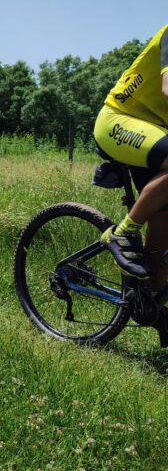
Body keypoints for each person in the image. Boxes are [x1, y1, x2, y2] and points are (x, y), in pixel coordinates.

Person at [94, 22, 168, 287]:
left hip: (155, 132)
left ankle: (151, 306)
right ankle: (122, 233)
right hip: (118, 120)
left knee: (163, 224)